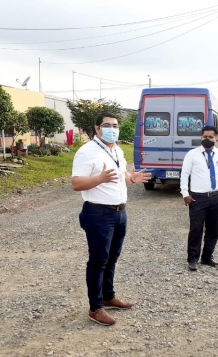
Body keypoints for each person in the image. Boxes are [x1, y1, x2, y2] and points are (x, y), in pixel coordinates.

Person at [71, 112, 152, 326]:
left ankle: (108, 297)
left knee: (111, 258)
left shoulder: (117, 150)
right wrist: (99, 178)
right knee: (98, 261)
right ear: (97, 128)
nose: (112, 129)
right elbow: (76, 183)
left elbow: (122, 177)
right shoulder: (86, 152)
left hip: (119, 212)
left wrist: (132, 179)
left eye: (115, 125)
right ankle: (95, 308)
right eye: (107, 125)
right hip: (98, 213)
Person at [180, 126, 218, 271]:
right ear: (201, 138)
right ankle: (192, 259)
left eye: (210, 137)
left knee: (214, 229)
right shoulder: (192, 154)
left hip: (217, 197)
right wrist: (185, 194)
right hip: (198, 199)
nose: (207, 139)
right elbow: (185, 174)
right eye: (204, 137)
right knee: (196, 229)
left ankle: (207, 257)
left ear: (216, 138)